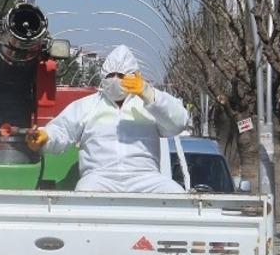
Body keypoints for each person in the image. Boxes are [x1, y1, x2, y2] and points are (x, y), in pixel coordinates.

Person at [26, 45, 190, 194]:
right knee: (84, 192)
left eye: (122, 75)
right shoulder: (87, 106)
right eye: (111, 75)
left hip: (146, 177)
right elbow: (62, 130)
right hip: (99, 177)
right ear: (103, 75)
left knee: (176, 193)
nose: (116, 79)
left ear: (135, 77)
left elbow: (178, 123)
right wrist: (45, 137)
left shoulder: (149, 105)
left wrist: (149, 94)